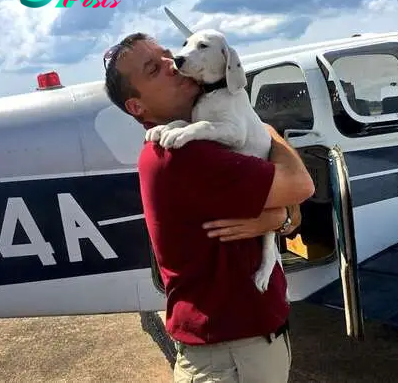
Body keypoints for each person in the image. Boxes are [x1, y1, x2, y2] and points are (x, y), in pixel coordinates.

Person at [103, 32, 315, 382]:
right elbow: (301, 184)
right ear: (137, 107)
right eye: (154, 69)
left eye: (169, 56)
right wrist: (272, 136)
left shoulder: (186, 142)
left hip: (239, 347)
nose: (174, 65)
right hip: (234, 356)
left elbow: (283, 197)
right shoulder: (184, 153)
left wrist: (280, 215)